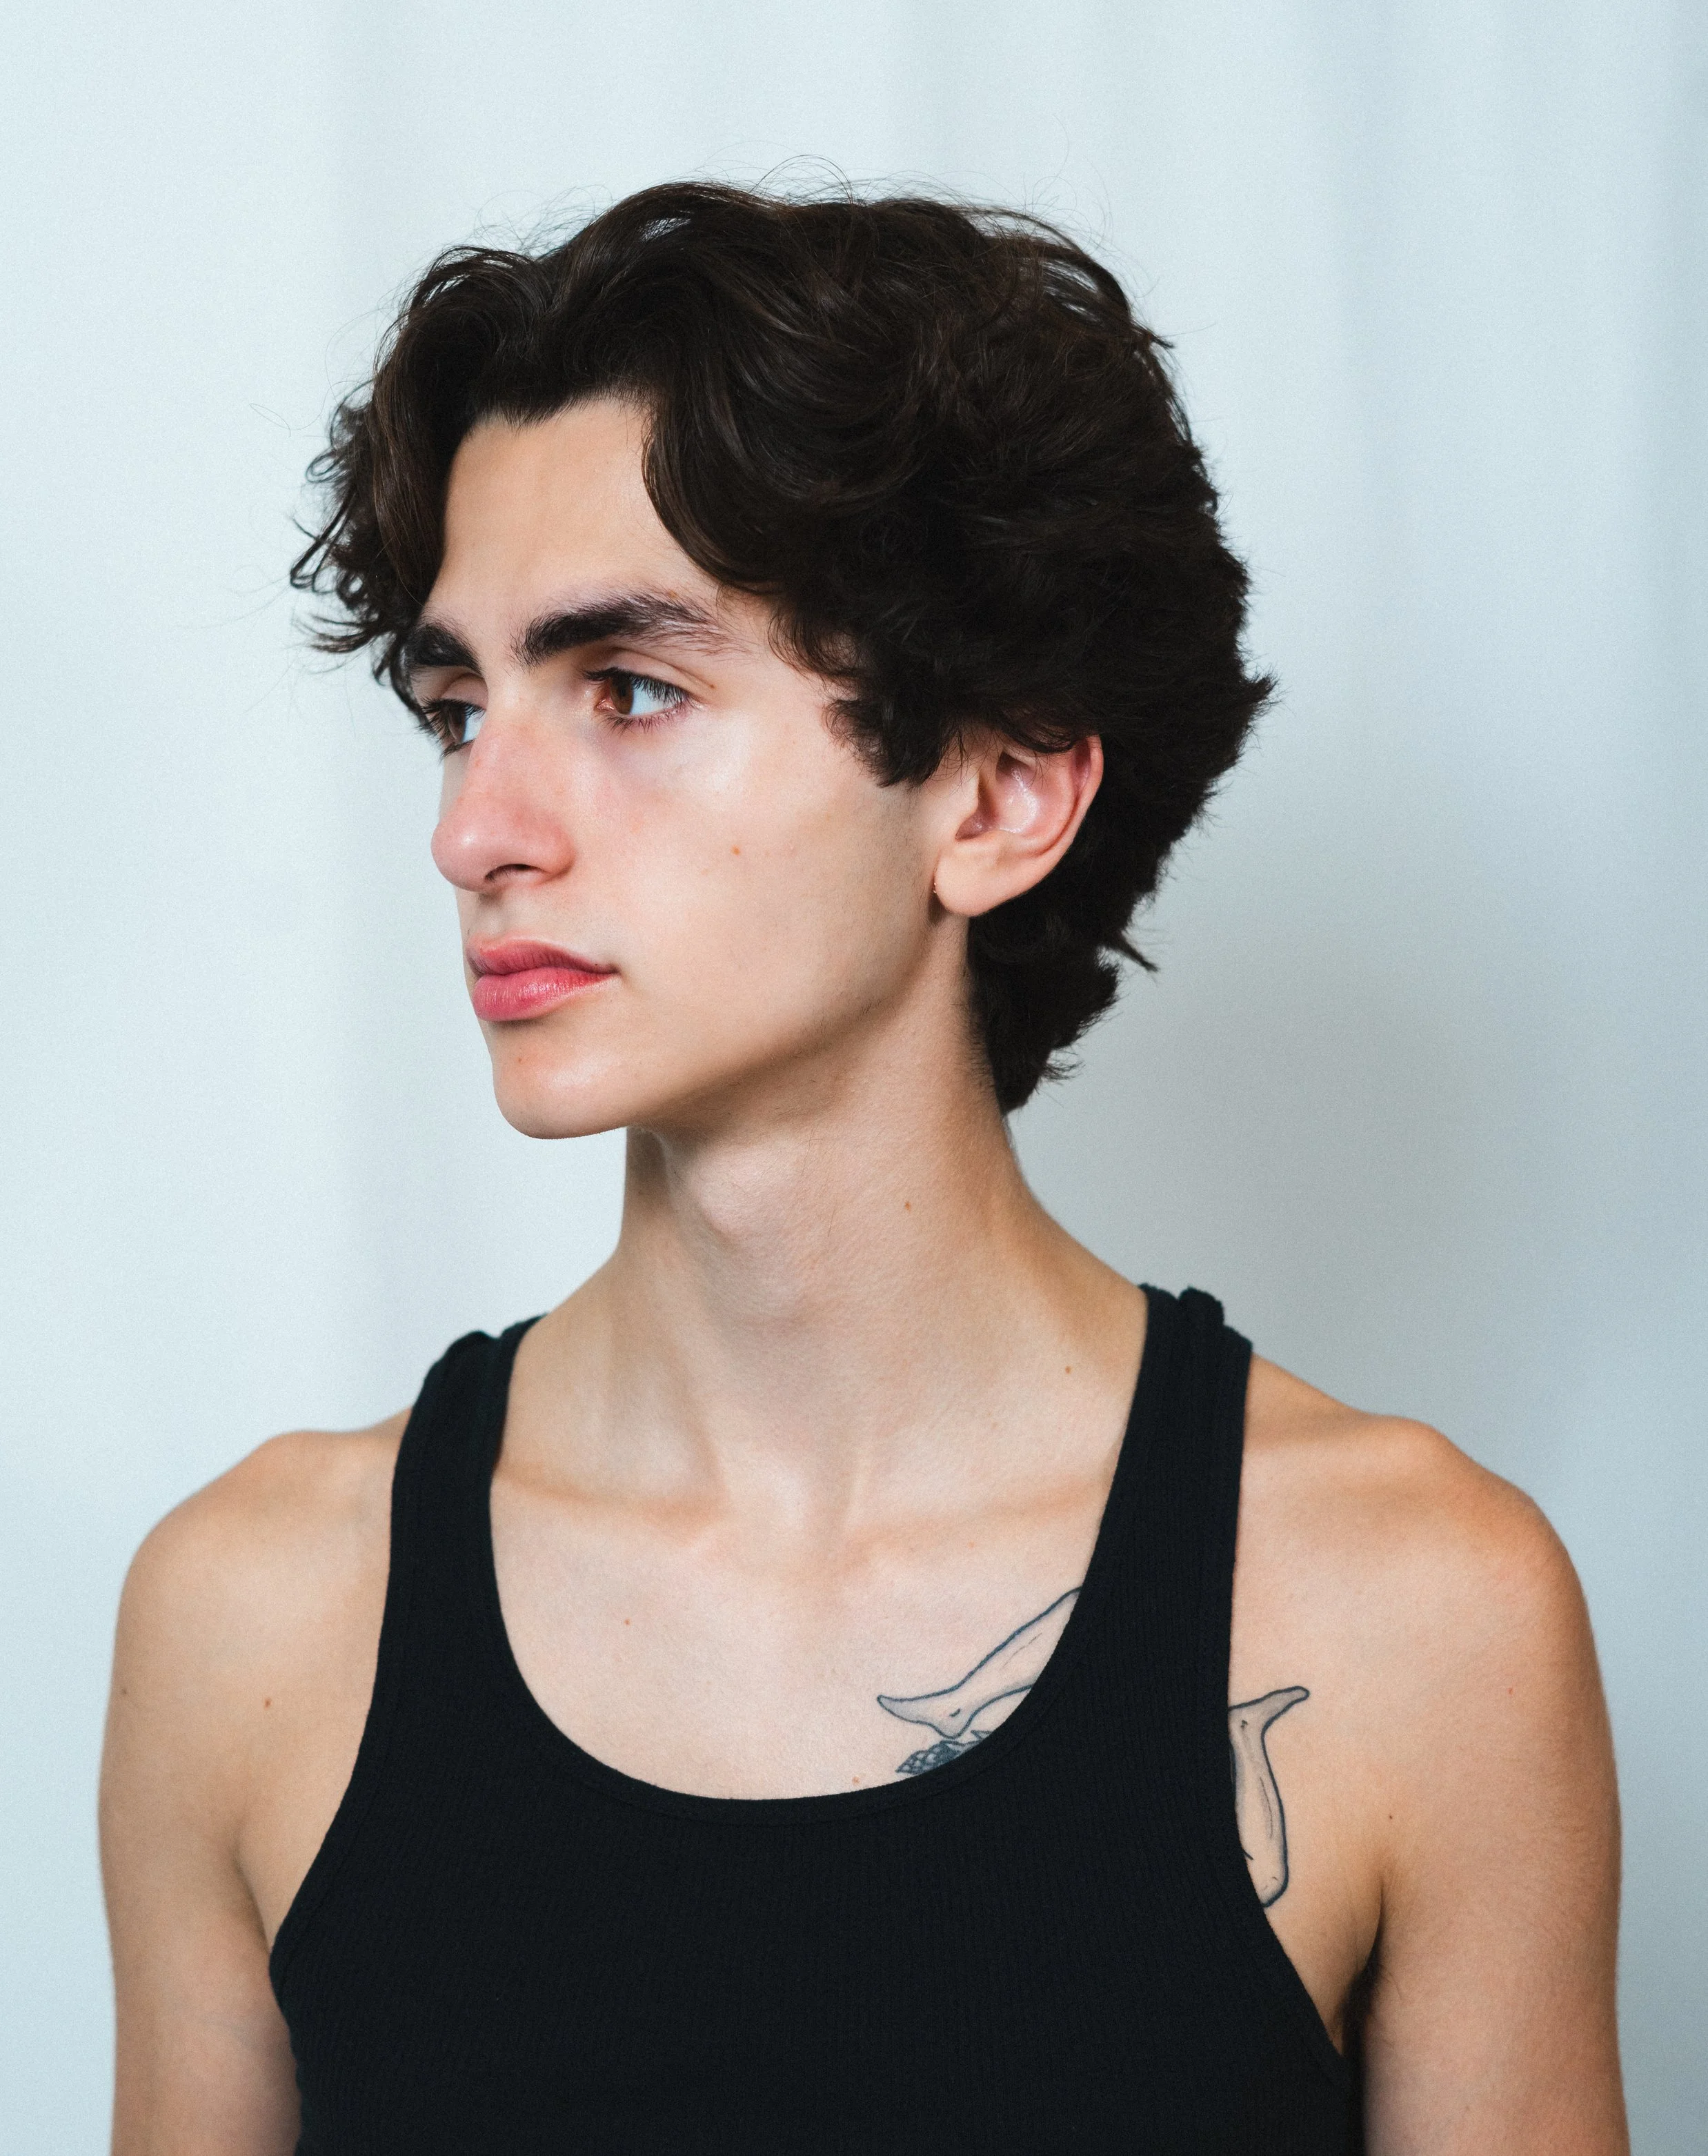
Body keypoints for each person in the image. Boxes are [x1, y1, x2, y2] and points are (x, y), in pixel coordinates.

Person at [99, 181, 1627, 2154]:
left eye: (629, 690)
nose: (477, 827)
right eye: (457, 708)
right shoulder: (258, 1617)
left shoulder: (1410, 1613)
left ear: (995, 795)